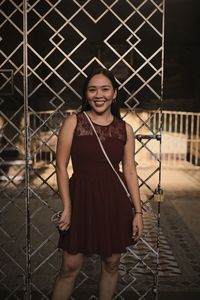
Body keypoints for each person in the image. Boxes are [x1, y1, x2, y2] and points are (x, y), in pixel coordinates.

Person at [51, 67, 143, 300]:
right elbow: (60, 166)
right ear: (86, 94)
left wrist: (138, 211)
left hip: (114, 201)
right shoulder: (74, 121)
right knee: (69, 267)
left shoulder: (125, 129)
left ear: (114, 93)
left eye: (105, 89)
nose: (98, 95)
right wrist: (68, 208)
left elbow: (129, 171)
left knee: (111, 264)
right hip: (81, 199)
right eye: (92, 90)